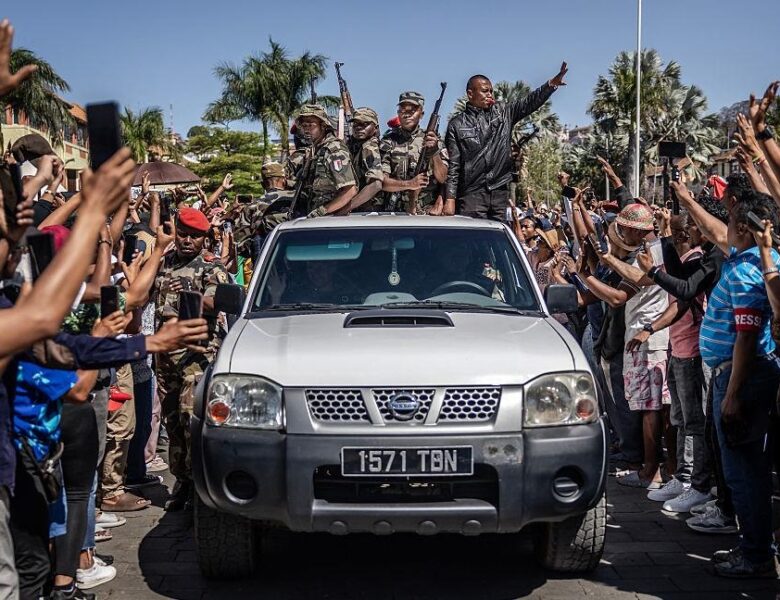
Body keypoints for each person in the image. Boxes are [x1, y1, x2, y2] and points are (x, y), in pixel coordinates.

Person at [153, 208, 230, 511]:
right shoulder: (165, 262)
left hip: (196, 354)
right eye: (182, 233)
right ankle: (182, 480)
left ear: (204, 238)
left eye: (194, 236)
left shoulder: (211, 266)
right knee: (172, 420)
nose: (186, 240)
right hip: (165, 356)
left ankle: (199, 485)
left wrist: (189, 291)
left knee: (190, 420)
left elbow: (218, 300)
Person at [444, 63, 568, 219]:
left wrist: (551, 85)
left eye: (491, 91)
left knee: (497, 238)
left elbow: (529, 103)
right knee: (473, 240)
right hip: (471, 194)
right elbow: (453, 166)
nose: (489, 94)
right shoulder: (457, 124)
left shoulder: (504, 111)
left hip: (499, 191)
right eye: (484, 91)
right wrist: (450, 198)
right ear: (470, 94)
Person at [379, 92, 448, 214]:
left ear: (421, 114)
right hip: (394, 211)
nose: (407, 114)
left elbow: (443, 178)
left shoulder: (433, 139)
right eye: (402, 110)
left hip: (426, 212)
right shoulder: (388, 141)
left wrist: (434, 152)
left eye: (412, 111)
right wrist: (410, 184)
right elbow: (382, 182)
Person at [294, 104, 358, 218]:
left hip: (331, 220)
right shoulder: (316, 150)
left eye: (310, 125)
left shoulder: (333, 150)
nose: (306, 129)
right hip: (318, 218)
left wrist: (323, 211)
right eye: (304, 125)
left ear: (323, 125)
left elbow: (350, 190)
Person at [344, 107, 385, 212]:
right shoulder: (352, 145)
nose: (359, 128)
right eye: (356, 124)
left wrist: (346, 208)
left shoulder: (370, 147)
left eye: (365, 124)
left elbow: (376, 185)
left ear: (376, 128)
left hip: (368, 211)